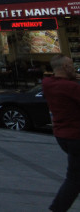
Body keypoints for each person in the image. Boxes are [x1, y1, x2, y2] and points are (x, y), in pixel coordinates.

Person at [43, 54, 80, 212]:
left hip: (62, 135)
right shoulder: (72, 87)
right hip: (76, 136)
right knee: (74, 179)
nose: (74, 67)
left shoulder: (47, 83)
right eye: (71, 65)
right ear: (65, 67)